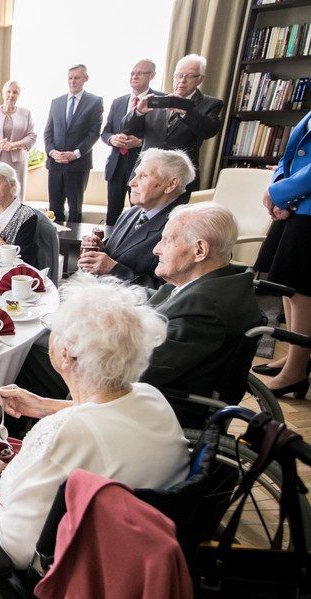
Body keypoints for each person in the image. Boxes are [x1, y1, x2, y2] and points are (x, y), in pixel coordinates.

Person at [0, 275, 189, 568]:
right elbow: (102, 413)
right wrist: (42, 407)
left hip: (50, 550)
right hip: (126, 524)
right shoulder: (149, 395)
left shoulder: (68, 436)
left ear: (66, 355)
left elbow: (13, 550)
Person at [17, 203, 263, 429]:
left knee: (28, 352)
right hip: (149, 384)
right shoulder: (213, 282)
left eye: (167, 241)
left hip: (153, 403)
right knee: (42, 340)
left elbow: (136, 368)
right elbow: (155, 299)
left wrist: (84, 338)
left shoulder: (206, 306)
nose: (156, 249)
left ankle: (20, 434)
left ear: (199, 250)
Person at [251, 110, 311, 399]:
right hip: (297, 204)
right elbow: (290, 155)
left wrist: (280, 193)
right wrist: (276, 187)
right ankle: (295, 356)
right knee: (287, 286)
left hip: (308, 210)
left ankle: (296, 371)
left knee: (302, 291)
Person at [78, 148, 194, 289]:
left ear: (170, 184)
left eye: (143, 176)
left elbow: (167, 291)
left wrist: (115, 270)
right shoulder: (131, 213)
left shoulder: (182, 228)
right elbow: (119, 255)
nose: (131, 182)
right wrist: (101, 250)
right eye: (135, 175)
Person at [122, 54, 223, 200]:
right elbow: (126, 129)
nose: (182, 80)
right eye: (179, 75)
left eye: (189, 76)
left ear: (200, 79)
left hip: (179, 179)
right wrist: (138, 112)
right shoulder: (156, 100)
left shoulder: (210, 104)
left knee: (175, 215)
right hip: (145, 176)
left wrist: (186, 111)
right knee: (139, 214)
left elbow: (209, 131)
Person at [101, 59, 159, 225]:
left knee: (139, 212)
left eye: (140, 73)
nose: (134, 76)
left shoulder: (159, 100)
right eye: (132, 73)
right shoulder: (119, 102)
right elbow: (105, 132)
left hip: (142, 165)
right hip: (116, 165)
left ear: (152, 76)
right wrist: (112, 139)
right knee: (112, 213)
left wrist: (140, 142)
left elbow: (162, 136)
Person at [43, 64, 104, 223]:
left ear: (86, 79)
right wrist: (52, 152)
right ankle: (56, 239)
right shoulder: (56, 102)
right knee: (54, 209)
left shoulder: (95, 102)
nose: (72, 81)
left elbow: (94, 134)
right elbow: (48, 132)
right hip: (55, 165)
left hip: (78, 165)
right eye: (70, 78)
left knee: (75, 210)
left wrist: (75, 154)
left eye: (77, 78)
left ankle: (73, 240)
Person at [0, 80, 37, 203]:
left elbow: (32, 136)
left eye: (15, 92)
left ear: (18, 95)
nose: (11, 95)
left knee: (16, 193)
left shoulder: (26, 113)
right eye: (8, 91)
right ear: (3, 94)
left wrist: (14, 145)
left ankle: (18, 215)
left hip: (18, 161)